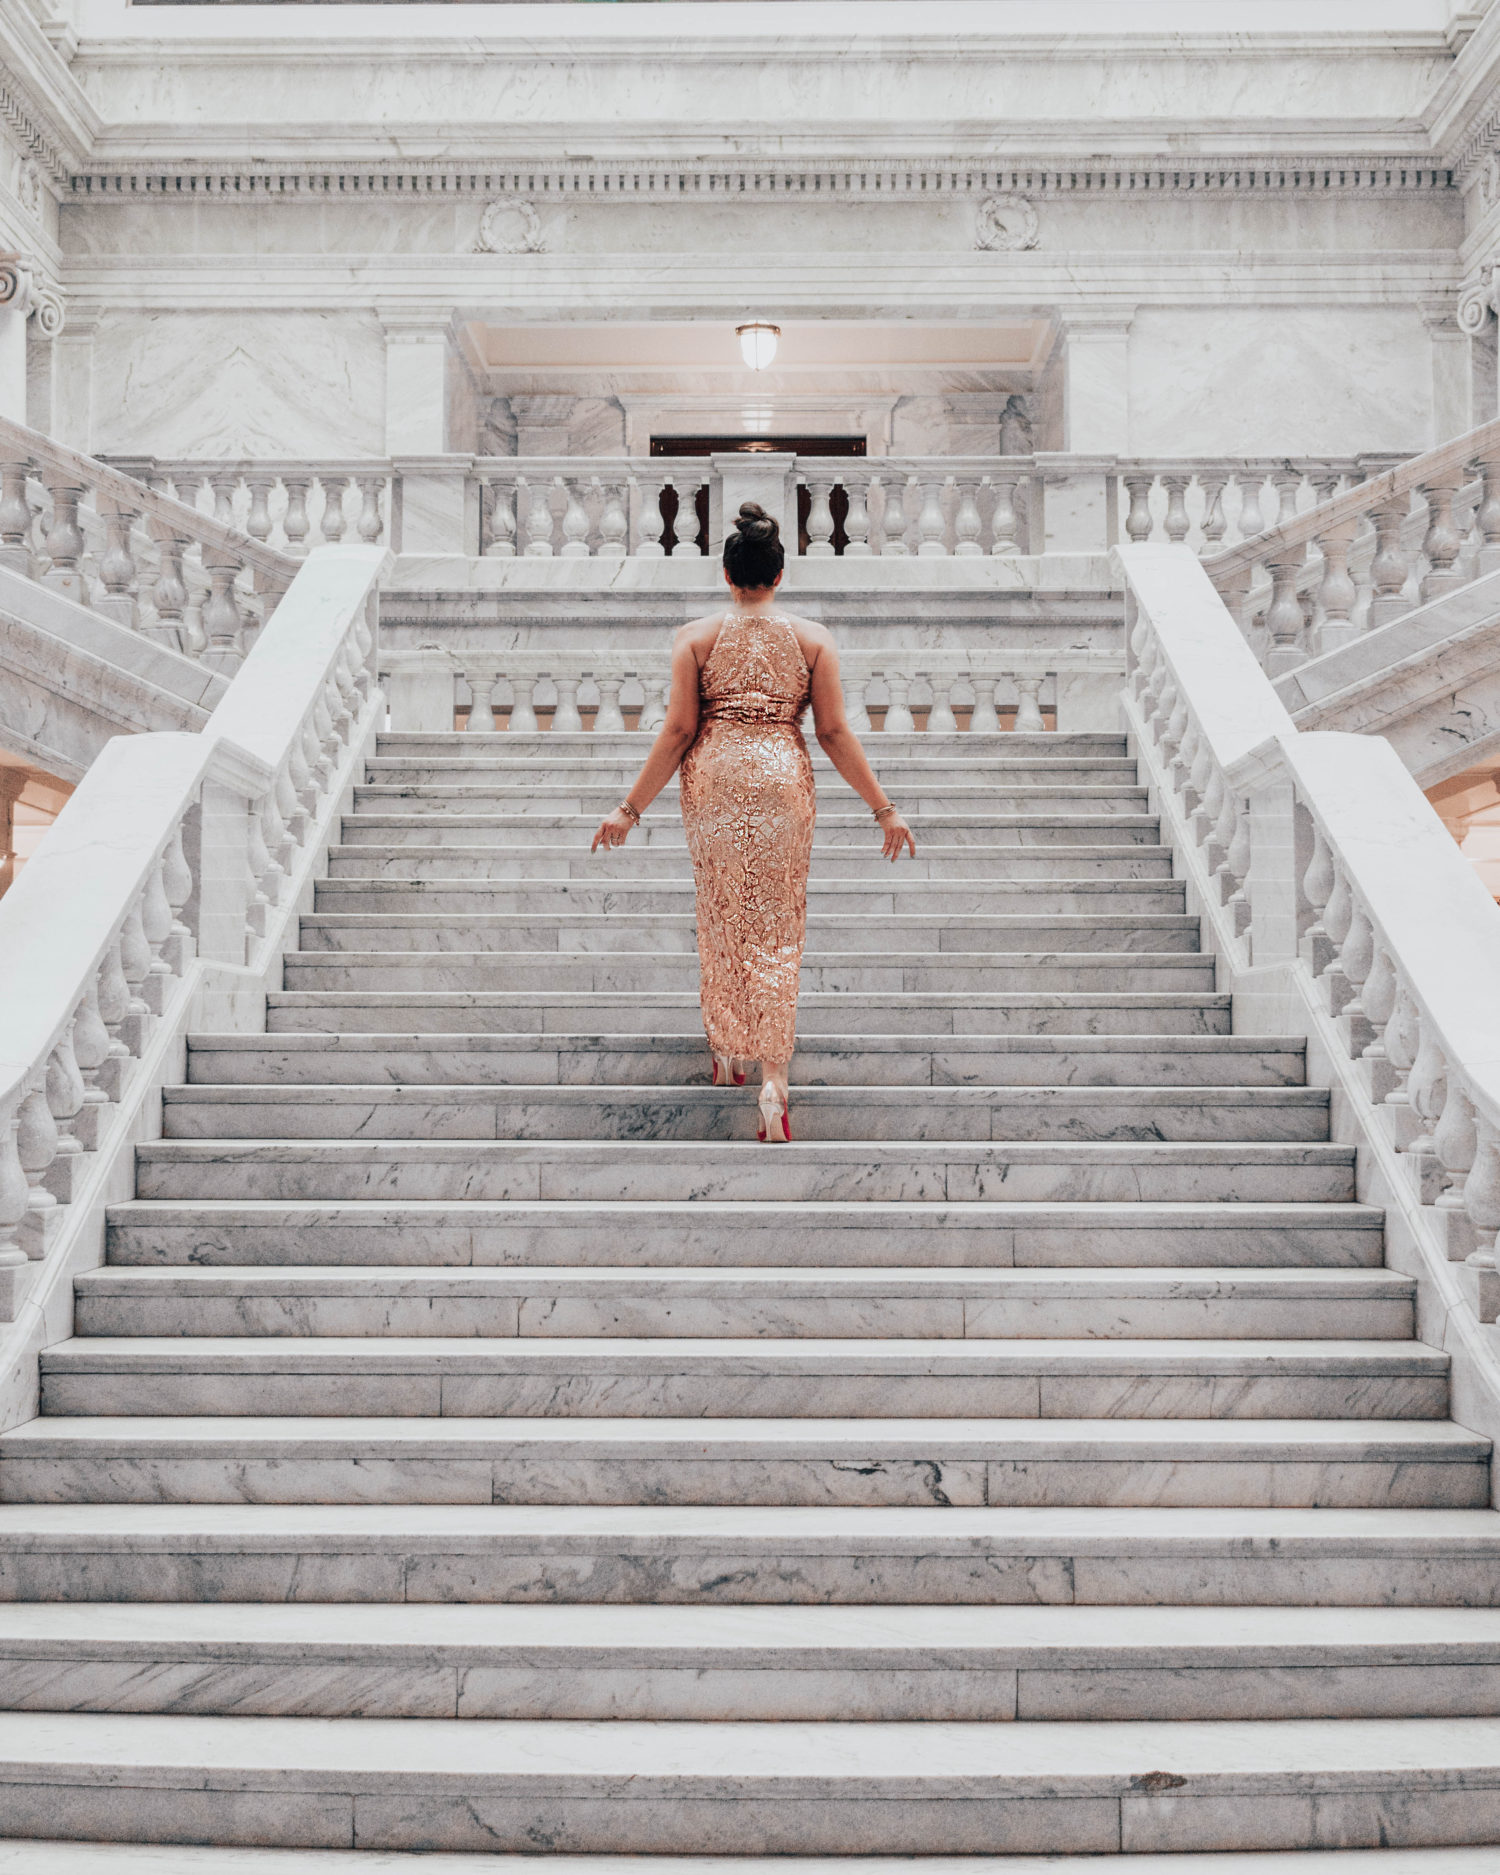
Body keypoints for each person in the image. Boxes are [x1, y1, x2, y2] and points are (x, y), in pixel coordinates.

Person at [591, 501, 916, 1144]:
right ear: (781, 573)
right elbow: (832, 731)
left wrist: (629, 809)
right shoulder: (815, 641)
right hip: (781, 780)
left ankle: (727, 1049)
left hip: (715, 776)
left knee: (722, 909)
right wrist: (885, 809)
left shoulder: (694, 638)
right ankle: (774, 1079)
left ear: (726, 574)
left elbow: (681, 728)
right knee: (777, 921)